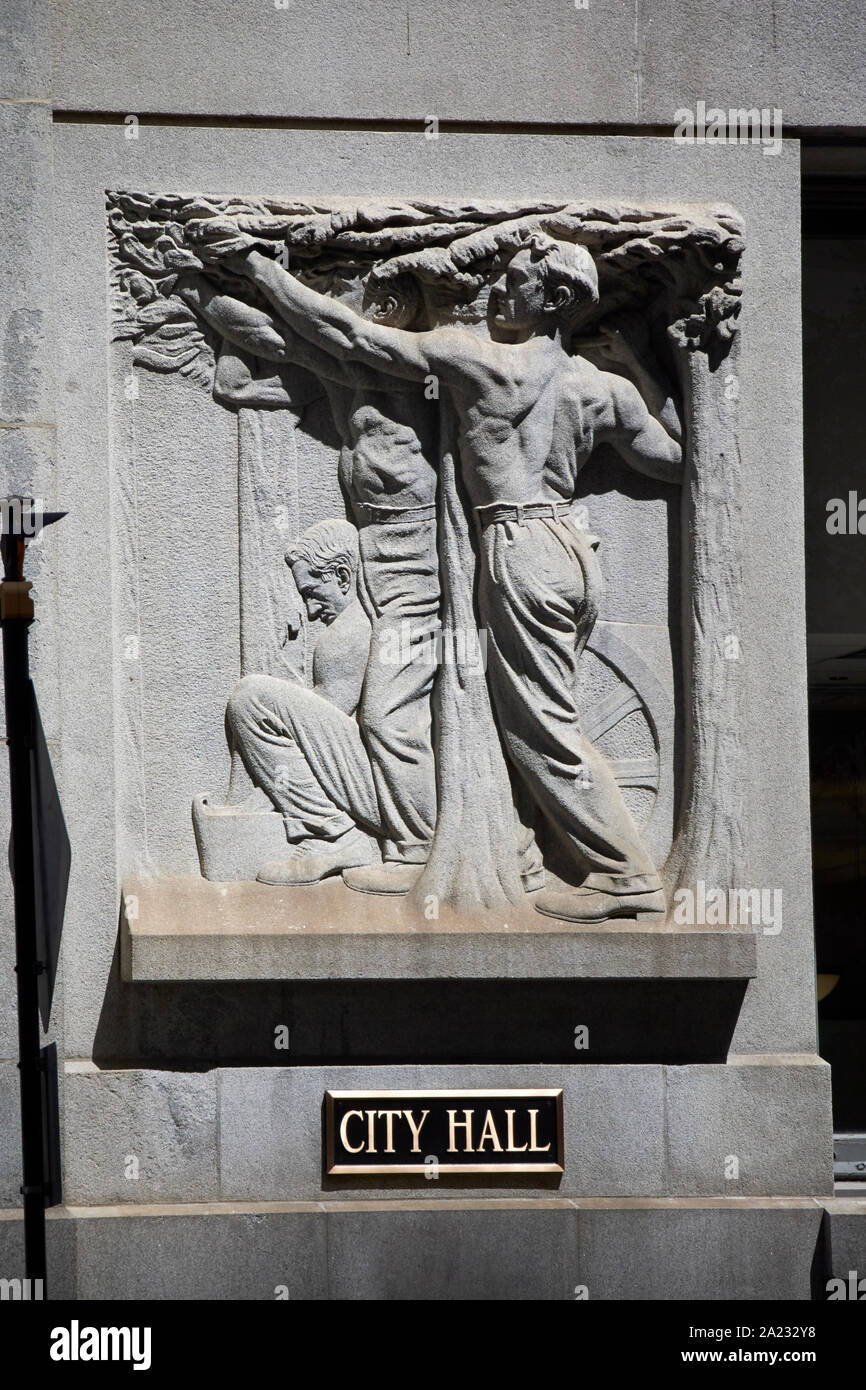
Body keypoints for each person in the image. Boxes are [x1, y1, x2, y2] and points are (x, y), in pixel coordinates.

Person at [192, 221, 682, 921]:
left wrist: (261, 270)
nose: (503, 292)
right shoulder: (600, 387)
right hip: (574, 548)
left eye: (518, 281)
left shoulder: (481, 364)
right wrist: (640, 363)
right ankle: (508, 847)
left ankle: (624, 872)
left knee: (538, 726)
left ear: (555, 296)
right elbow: (675, 460)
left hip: (519, 546)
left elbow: (353, 339)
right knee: (538, 710)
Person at [227, 518, 383, 885]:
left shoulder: (346, 635)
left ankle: (332, 834)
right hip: (402, 788)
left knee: (251, 699)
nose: (311, 611)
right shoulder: (378, 624)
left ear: (343, 576)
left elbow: (313, 742)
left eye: (313, 592)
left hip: (383, 792)